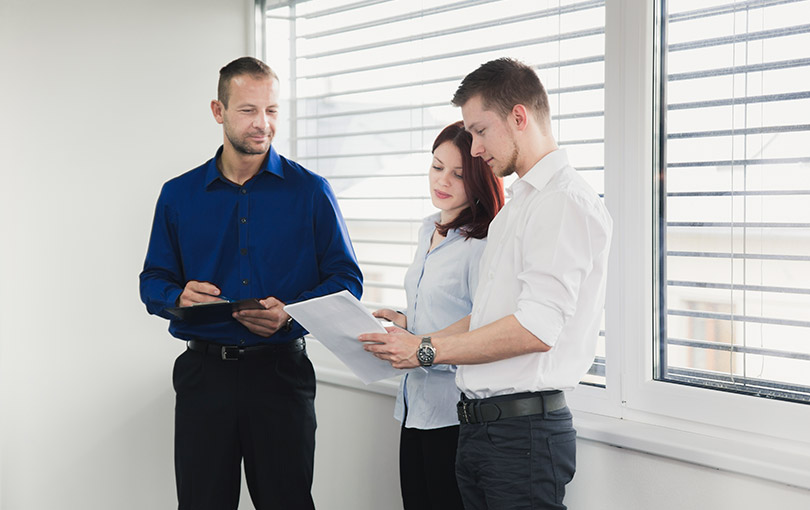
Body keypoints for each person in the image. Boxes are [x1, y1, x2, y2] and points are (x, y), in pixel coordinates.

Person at [360, 57, 613, 510]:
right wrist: (416, 339)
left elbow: (537, 329)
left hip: (523, 434)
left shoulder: (561, 203)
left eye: (479, 130)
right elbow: (488, 319)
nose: (473, 149)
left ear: (519, 116)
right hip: (483, 428)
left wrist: (426, 351)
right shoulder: (519, 207)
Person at [139, 56, 362, 510]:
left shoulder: (311, 192)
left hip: (281, 376)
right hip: (205, 378)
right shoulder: (178, 195)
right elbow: (152, 280)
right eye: (248, 110)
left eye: (272, 110)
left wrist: (290, 314)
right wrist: (176, 295)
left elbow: (346, 280)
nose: (263, 124)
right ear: (218, 112)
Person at [372, 121, 504, 510]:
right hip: (414, 406)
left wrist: (421, 344)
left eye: (458, 173)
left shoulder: (484, 241)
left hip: (454, 413)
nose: (442, 180)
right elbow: (439, 306)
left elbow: (483, 320)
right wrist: (406, 323)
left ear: (480, 177)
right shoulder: (429, 228)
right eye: (436, 166)